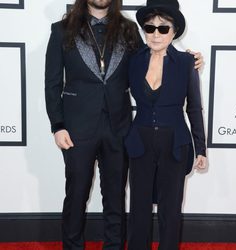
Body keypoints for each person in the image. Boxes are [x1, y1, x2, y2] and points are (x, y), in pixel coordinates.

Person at [44, 0, 204, 249]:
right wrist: (58, 124)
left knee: (116, 199)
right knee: (76, 196)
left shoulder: (129, 30)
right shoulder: (61, 30)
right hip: (76, 129)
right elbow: (52, 82)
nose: (155, 30)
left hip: (120, 128)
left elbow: (153, 55)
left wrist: (190, 59)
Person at [124, 0, 207, 249]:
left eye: (163, 28)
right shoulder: (133, 60)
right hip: (140, 142)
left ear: (174, 32)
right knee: (138, 208)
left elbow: (193, 107)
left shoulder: (185, 63)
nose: (156, 34)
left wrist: (200, 147)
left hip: (175, 144)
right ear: (144, 30)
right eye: (150, 28)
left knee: (170, 211)